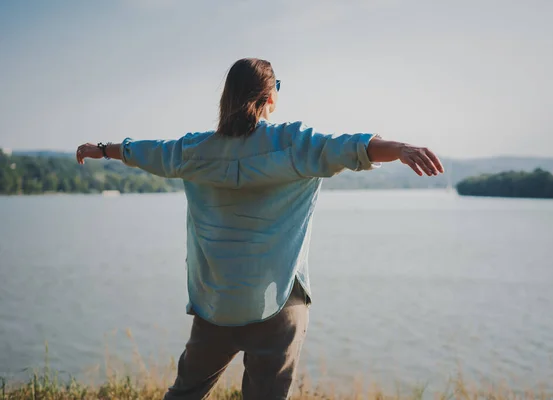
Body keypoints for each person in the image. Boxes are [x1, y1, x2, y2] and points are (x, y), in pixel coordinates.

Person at [76, 58, 444, 400]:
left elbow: (149, 152)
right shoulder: (294, 144)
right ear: (270, 97)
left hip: (216, 303)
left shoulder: (194, 150)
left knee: (185, 393)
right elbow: (350, 147)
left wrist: (103, 149)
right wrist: (400, 148)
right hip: (278, 302)